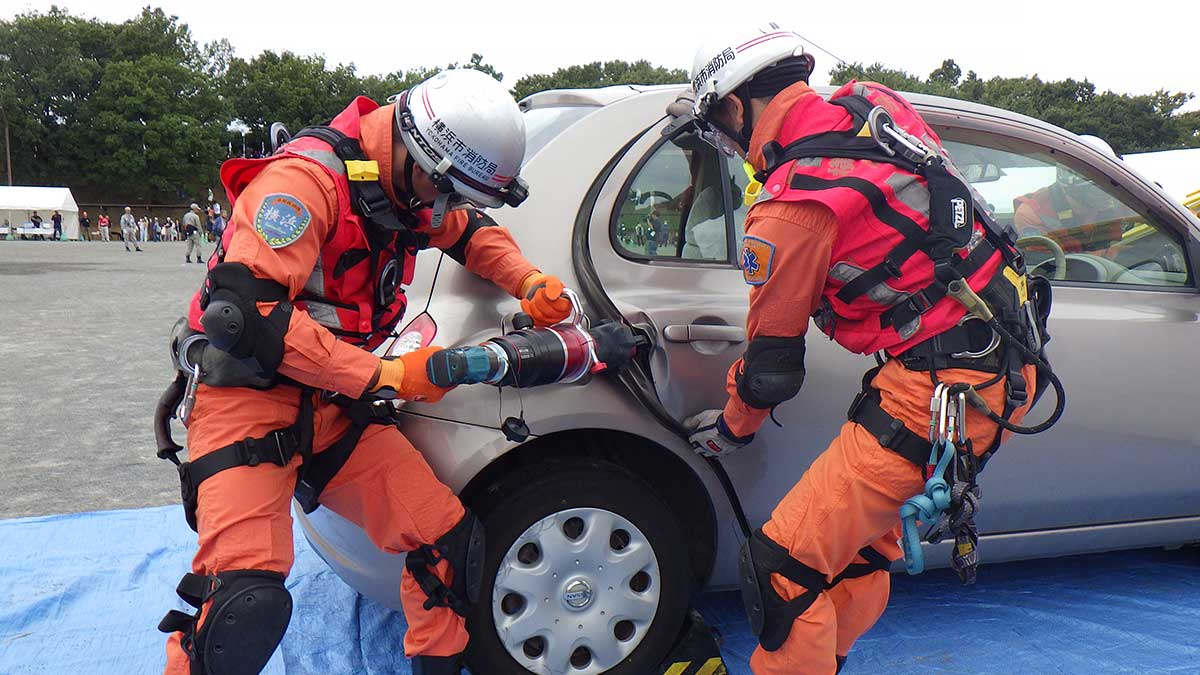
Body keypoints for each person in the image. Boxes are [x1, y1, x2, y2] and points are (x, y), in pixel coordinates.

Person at [157, 69, 572, 675]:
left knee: (447, 545)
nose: (443, 210)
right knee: (239, 605)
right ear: (422, 161)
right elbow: (246, 313)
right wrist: (388, 377)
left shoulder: (404, 188)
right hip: (246, 399)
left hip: (332, 402)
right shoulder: (303, 184)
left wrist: (528, 280)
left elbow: (469, 234)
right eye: (446, 193)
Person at [680, 25, 1056, 675]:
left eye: (720, 127)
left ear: (735, 108)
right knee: (855, 556)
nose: (729, 144)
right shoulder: (872, 105)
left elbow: (770, 373)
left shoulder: (791, 206)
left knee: (780, 570)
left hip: (939, 394)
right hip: (1008, 363)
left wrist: (730, 429)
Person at [1013, 166, 1124, 254]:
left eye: (1110, 187)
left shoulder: (1117, 202)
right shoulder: (1031, 214)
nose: (1109, 196)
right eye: (1100, 191)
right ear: (1075, 190)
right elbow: (1050, 265)